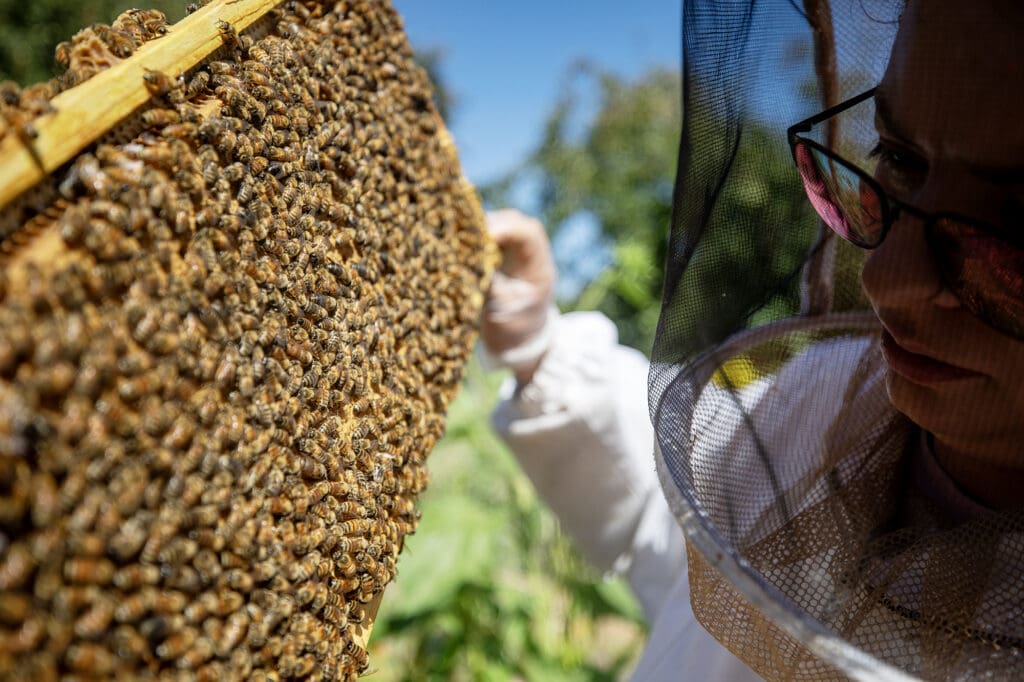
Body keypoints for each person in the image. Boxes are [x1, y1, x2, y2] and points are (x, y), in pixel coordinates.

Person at [479, 0, 1024, 679]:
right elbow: (688, 530)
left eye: (1013, 221)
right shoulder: (826, 397)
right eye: (899, 157)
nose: (888, 278)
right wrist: (537, 343)